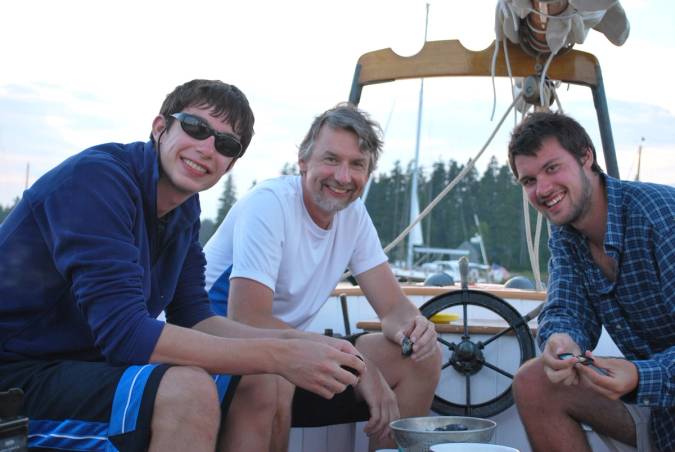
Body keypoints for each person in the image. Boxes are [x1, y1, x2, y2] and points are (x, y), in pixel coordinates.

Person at [0, 79, 366, 452]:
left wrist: (304, 346)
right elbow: (126, 335)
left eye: (225, 144)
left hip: (83, 367)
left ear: (230, 164)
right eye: (196, 128)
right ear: (160, 127)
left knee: (264, 379)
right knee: (187, 391)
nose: (207, 148)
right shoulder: (95, 181)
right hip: (15, 375)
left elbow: (195, 317)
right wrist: (281, 354)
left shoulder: (183, 209)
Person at [204, 102, 441, 451]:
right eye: (331, 159)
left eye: (357, 165)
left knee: (421, 359)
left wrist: (414, 328)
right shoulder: (269, 204)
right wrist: (361, 366)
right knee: (273, 376)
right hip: (215, 347)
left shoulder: (353, 215)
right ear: (304, 162)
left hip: (288, 350)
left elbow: (392, 309)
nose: (343, 177)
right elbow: (247, 321)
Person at [507, 111, 674, 452]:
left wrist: (641, 376)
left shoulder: (662, 216)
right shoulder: (567, 236)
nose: (543, 189)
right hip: (662, 413)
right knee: (535, 380)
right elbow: (566, 310)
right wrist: (561, 341)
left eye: (552, 168)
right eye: (529, 181)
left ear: (586, 157)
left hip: (658, 392)